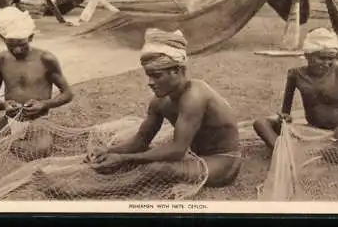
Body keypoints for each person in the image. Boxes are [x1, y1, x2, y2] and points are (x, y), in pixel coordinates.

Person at [85, 28, 242, 187]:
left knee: (157, 169)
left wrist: (124, 158)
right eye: (149, 75)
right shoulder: (159, 102)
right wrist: (109, 152)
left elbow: (177, 150)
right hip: (195, 154)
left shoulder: (195, 96)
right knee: (143, 161)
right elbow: (140, 141)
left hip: (222, 160)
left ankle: (105, 187)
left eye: (157, 75)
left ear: (177, 70)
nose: (150, 82)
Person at [0, 6, 74, 148]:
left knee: (41, 149)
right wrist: (4, 105)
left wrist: (43, 104)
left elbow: (68, 94)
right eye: (10, 45)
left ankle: (7, 143)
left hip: (38, 122)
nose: (17, 50)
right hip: (9, 120)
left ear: (31, 37)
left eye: (22, 45)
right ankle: (6, 139)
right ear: (2, 38)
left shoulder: (46, 59)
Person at [253, 27, 338, 150]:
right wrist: (285, 118)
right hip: (311, 130)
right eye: (322, 58)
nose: (327, 63)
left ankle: (304, 151)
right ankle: (282, 151)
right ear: (307, 56)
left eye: (331, 58)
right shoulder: (295, 75)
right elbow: (286, 114)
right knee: (261, 123)